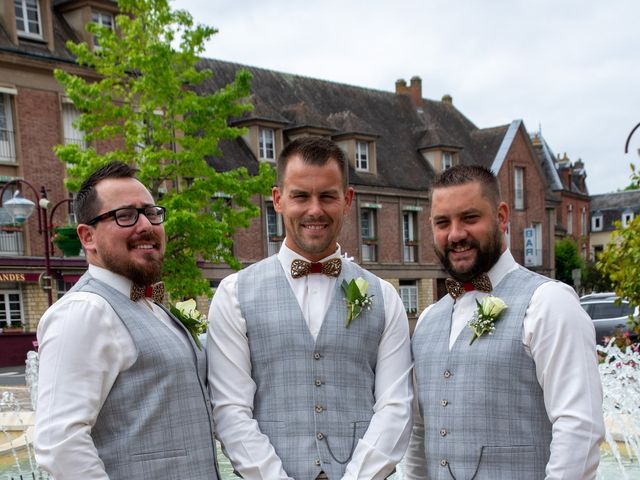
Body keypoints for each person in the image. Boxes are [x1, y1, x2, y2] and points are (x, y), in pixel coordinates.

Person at [208, 136, 413, 480]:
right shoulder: (233, 295)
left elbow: (395, 408)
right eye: (301, 196)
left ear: (347, 200)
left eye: (327, 196)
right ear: (278, 200)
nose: (314, 210)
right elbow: (230, 411)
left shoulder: (384, 296)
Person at [404, 164, 605, 479]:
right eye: (443, 222)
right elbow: (419, 433)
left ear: (501, 216)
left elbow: (580, 428)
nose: (455, 234)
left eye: (470, 218)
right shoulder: (428, 320)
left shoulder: (550, 303)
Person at [34, 162, 220, 479]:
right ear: (87, 236)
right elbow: (59, 443)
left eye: (151, 212)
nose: (146, 225)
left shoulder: (154, 305)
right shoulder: (85, 311)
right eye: (125, 216)